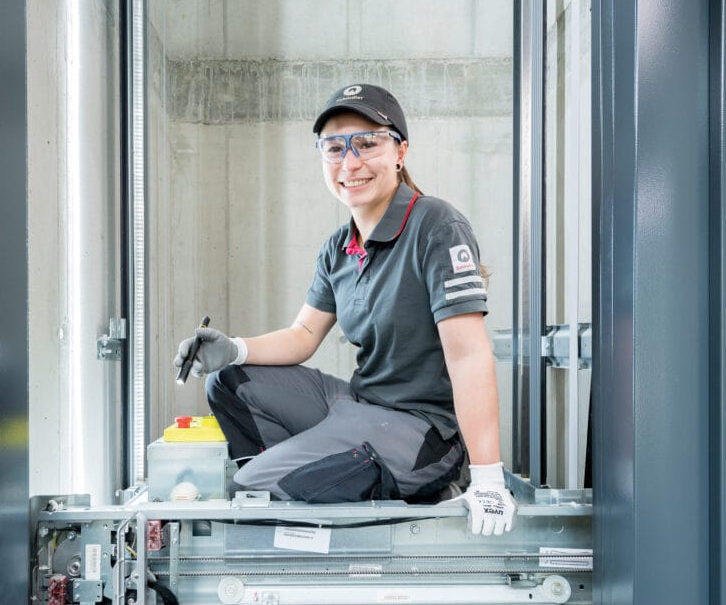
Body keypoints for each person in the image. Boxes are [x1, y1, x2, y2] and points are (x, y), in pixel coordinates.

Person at [173, 84, 515, 536]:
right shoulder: (339, 247)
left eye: (367, 143)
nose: (349, 163)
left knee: (253, 487)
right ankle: (321, 470)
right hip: (358, 405)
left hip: (423, 432)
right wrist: (233, 349)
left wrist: (490, 478)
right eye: (334, 148)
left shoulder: (436, 226)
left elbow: (470, 356)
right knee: (229, 382)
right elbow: (303, 335)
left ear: (400, 151)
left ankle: (380, 480)